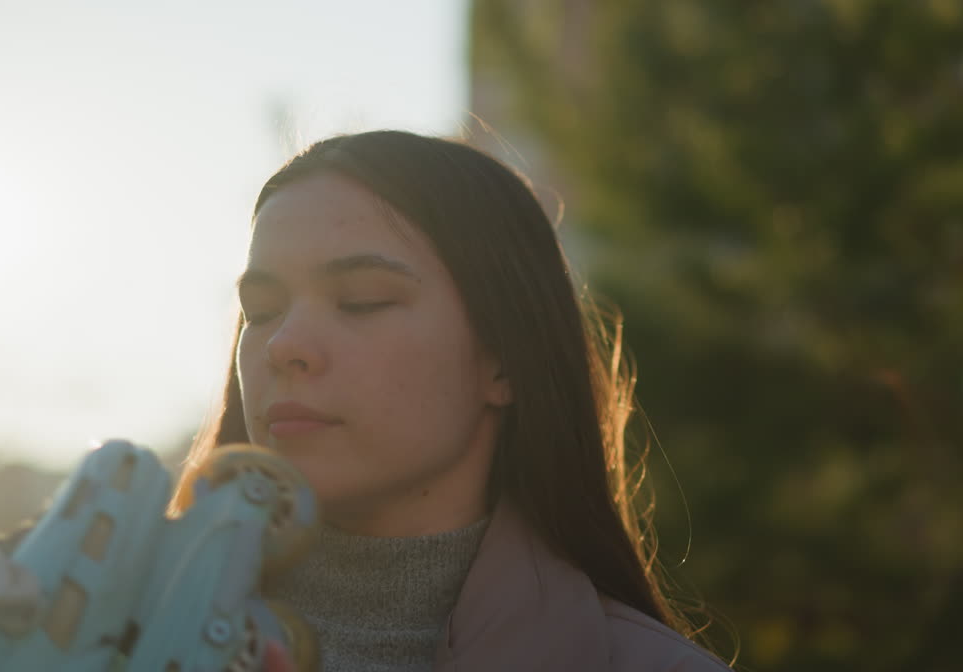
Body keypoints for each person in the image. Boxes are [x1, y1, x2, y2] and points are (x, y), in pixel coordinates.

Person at [172, 129, 729, 671]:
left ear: (504, 358)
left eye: (362, 301)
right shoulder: (115, 630)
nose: (284, 344)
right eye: (262, 310)